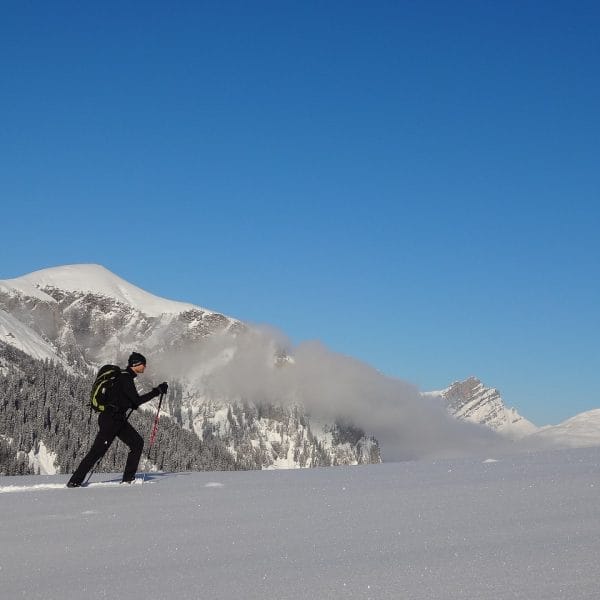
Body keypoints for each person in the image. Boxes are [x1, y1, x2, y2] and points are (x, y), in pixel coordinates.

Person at [67, 352, 168, 487]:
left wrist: (129, 403)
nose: (145, 367)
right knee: (97, 452)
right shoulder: (125, 378)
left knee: (137, 443)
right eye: (143, 364)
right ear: (136, 364)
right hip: (111, 420)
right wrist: (157, 391)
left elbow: (126, 400)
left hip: (117, 419)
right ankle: (74, 481)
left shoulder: (124, 378)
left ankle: (128, 479)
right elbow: (137, 401)